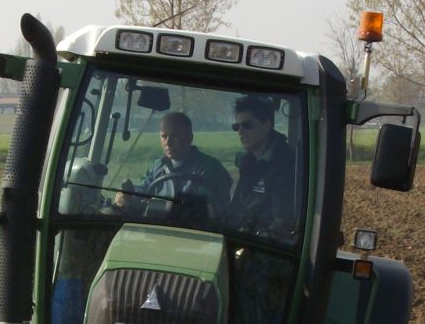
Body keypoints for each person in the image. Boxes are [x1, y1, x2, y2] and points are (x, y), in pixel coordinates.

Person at [112, 110, 231, 223]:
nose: (168, 142)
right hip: (156, 231)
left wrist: (160, 206)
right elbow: (144, 189)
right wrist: (128, 195)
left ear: (189, 138)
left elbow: (211, 211)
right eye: (164, 136)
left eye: (174, 136)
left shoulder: (209, 169)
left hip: (197, 234)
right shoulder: (158, 166)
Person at [226, 96, 297, 241]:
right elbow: (236, 208)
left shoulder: (286, 164)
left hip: (266, 248)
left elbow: (282, 223)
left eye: (247, 125)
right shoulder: (248, 161)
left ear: (267, 124)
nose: (240, 131)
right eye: (236, 126)